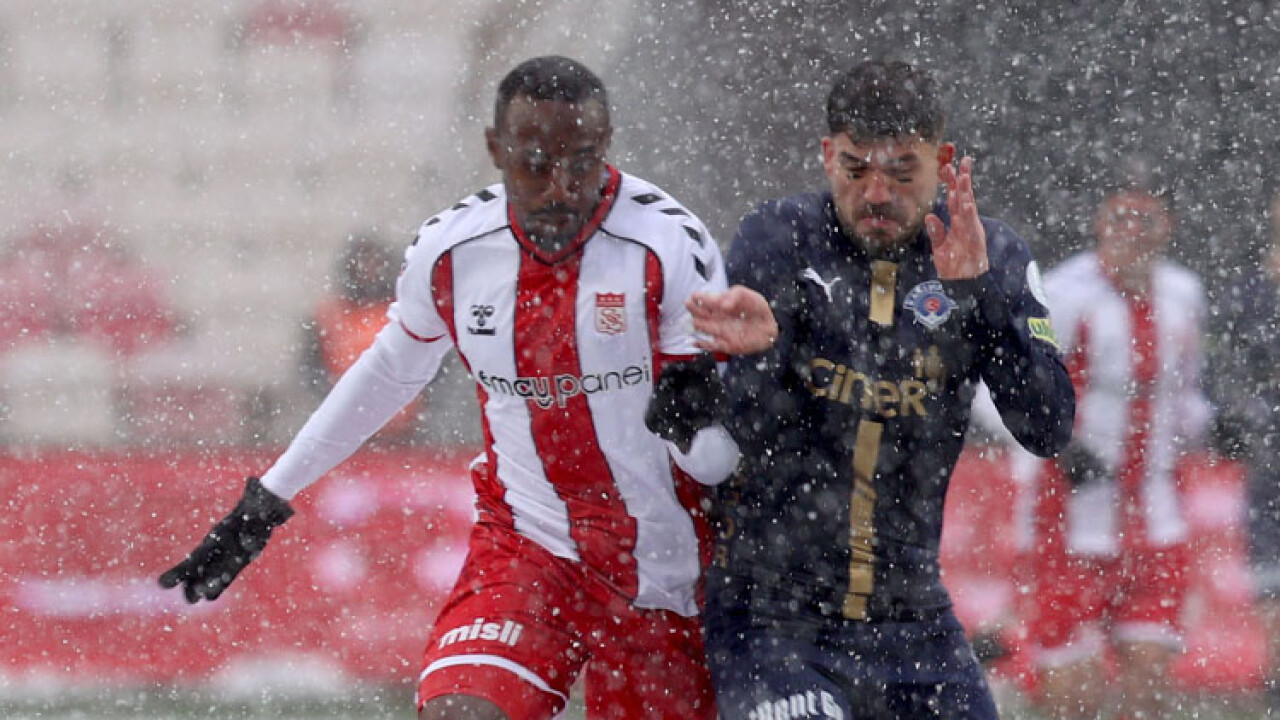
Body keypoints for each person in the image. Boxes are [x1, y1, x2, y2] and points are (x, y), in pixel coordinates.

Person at [158, 55, 774, 720]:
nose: (562, 187)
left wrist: (696, 432)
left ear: (607, 144)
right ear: (495, 149)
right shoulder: (452, 250)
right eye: (536, 163)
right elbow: (391, 370)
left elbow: (715, 461)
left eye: (582, 162)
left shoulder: (668, 245)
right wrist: (268, 499)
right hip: (530, 547)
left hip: (666, 568)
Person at [688, 59, 1075, 720]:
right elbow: (734, 441)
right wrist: (752, 361)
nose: (875, 194)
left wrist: (980, 299)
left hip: (915, 621)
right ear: (826, 156)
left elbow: (1048, 427)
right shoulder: (779, 238)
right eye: (855, 168)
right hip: (775, 616)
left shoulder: (990, 253)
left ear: (943, 163)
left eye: (901, 172)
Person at [1010, 185, 1209, 720]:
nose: (1132, 233)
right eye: (1121, 219)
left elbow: (1188, 396)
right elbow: (1002, 390)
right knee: (1073, 692)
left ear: (1166, 229)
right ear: (1100, 224)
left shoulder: (1184, 295)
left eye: (1146, 221)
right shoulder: (1062, 293)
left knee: (1149, 680)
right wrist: (1059, 441)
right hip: (1069, 522)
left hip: (1156, 520)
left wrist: (1216, 423)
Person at [1210, 189, 1280, 712]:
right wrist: (1232, 415)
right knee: (1271, 582)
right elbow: (1221, 369)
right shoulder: (1248, 292)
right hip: (1269, 461)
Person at [300, 233, 420, 443]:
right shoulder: (330, 315)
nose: (368, 273)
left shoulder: (405, 311)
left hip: (404, 429)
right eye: (363, 265)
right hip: (343, 425)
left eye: (375, 265)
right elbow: (312, 368)